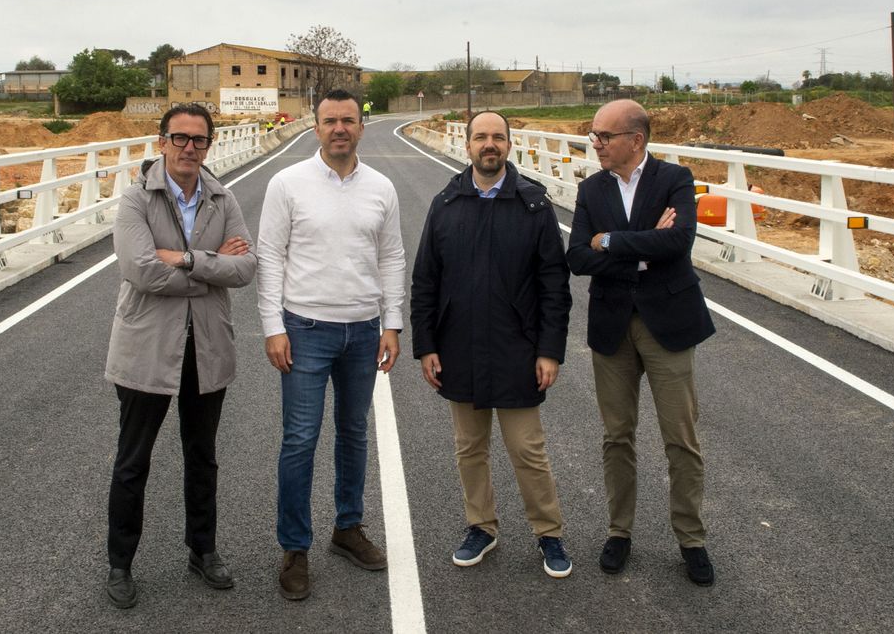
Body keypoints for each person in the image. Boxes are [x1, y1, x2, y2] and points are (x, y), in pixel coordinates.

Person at [103, 104, 257, 609]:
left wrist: (187, 259)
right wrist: (213, 266)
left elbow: (247, 267)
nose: (190, 148)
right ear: (162, 142)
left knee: (203, 456)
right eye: (180, 138)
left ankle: (203, 550)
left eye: (199, 140)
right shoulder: (134, 200)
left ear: (209, 145)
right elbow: (140, 270)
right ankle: (120, 564)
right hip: (147, 348)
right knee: (133, 462)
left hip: (207, 347)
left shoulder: (221, 197)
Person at [410, 110, 574, 578]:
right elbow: (426, 282)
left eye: (497, 137)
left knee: (527, 449)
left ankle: (549, 533)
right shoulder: (446, 203)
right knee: (469, 447)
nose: (489, 145)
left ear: (508, 145)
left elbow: (553, 287)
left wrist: (549, 350)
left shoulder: (533, 206)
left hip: (517, 350)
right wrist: (427, 345)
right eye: (480, 137)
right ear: (466, 146)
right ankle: (481, 526)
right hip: (459, 348)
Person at [257, 89, 406, 601]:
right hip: (305, 330)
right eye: (329, 121)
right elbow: (270, 256)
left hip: (364, 330)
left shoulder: (381, 187)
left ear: (361, 126)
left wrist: (394, 324)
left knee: (353, 433)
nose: (339, 128)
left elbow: (391, 257)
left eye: (348, 120)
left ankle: (347, 528)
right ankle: (294, 548)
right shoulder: (288, 183)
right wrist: (273, 327)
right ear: (314, 126)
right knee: (300, 440)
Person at [566, 98, 718, 587]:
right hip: (613, 326)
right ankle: (619, 532)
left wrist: (609, 241)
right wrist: (642, 244)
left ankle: (691, 540)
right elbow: (576, 257)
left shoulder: (675, 178)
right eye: (594, 136)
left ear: (636, 139)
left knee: (681, 438)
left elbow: (679, 243)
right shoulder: (591, 189)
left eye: (604, 137)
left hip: (668, 323)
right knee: (617, 436)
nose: (596, 144)